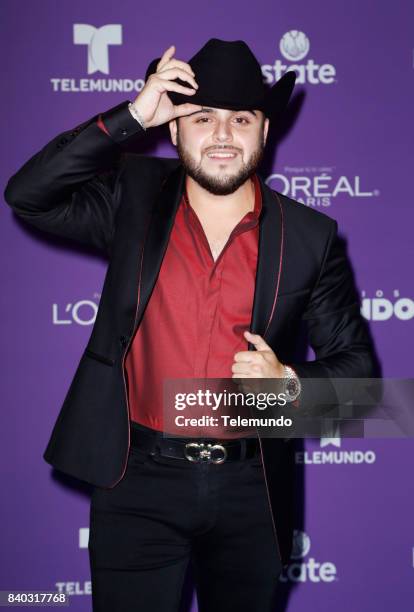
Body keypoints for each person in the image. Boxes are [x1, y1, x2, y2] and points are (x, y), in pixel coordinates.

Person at [4, 38, 377, 612]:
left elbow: (359, 373)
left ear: (264, 132)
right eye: (203, 118)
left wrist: (291, 385)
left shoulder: (310, 237)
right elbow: (27, 195)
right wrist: (131, 117)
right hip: (135, 481)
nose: (223, 135)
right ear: (175, 130)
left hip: (252, 490)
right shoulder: (132, 197)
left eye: (241, 119)